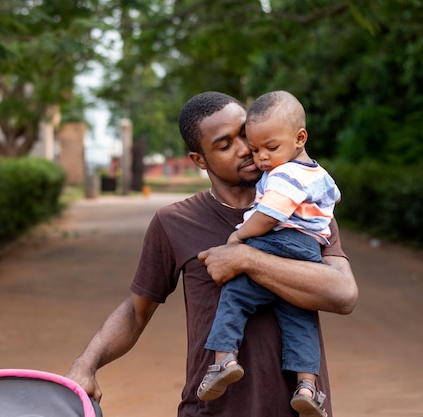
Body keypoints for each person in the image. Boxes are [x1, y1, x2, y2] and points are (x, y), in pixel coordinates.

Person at [65, 91, 358, 417]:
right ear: (199, 160)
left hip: (297, 408)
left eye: (245, 135)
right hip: (212, 410)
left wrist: (246, 259)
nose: (246, 149)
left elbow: (342, 294)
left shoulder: (306, 207)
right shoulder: (174, 222)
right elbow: (136, 312)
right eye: (225, 144)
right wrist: (85, 364)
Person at [196, 91, 341, 417]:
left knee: (235, 294)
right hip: (309, 251)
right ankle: (307, 387)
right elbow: (332, 202)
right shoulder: (321, 175)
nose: (260, 157)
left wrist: (240, 235)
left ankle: (223, 360)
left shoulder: (285, 174)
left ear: (300, 138)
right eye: (256, 148)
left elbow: (270, 215)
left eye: (269, 148)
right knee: (300, 320)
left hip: (278, 240)